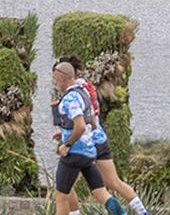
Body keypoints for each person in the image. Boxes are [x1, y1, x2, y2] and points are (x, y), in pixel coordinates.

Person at [58, 56, 151, 215]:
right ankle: (143, 213)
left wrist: (68, 139)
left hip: (82, 144)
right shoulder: (86, 88)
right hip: (99, 139)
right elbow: (92, 117)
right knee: (113, 183)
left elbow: (81, 123)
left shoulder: (72, 94)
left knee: (64, 190)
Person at [51, 61, 128, 215]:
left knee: (60, 196)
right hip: (89, 152)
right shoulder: (83, 93)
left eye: (55, 79)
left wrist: (67, 143)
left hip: (74, 153)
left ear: (62, 77)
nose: (54, 83)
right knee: (101, 194)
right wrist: (66, 131)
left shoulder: (69, 99)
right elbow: (92, 122)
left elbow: (79, 126)